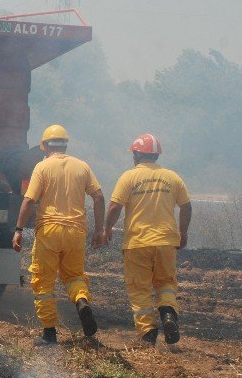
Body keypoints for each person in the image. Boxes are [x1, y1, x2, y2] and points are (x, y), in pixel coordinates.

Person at [12, 124, 105, 345]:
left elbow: (29, 200)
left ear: (44, 146)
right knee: (73, 276)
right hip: (76, 232)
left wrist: (18, 230)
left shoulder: (42, 167)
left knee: (43, 281)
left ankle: (49, 333)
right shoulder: (82, 166)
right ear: (65, 144)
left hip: (49, 231)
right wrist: (99, 229)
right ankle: (81, 300)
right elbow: (99, 197)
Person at [104, 134, 191, 346]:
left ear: (135, 154)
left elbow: (115, 206)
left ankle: (147, 333)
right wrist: (183, 232)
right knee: (166, 283)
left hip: (137, 242)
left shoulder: (128, 177)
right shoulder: (172, 177)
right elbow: (186, 206)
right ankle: (169, 313)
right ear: (156, 155)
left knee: (139, 288)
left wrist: (106, 228)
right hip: (166, 241)